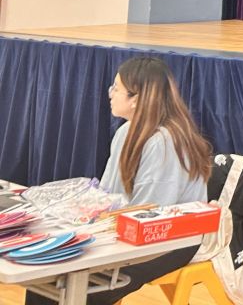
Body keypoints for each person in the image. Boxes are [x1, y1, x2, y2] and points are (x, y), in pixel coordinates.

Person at [26, 57, 213, 304]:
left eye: (116, 88)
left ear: (136, 99)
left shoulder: (164, 142)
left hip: (169, 241)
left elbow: (152, 213)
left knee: (71, 289)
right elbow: (107, 196)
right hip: (128, 231)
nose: (110, 93)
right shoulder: (126, 131)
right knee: (43, 279)